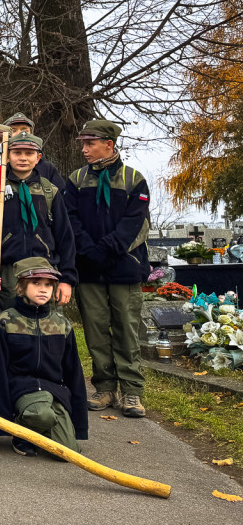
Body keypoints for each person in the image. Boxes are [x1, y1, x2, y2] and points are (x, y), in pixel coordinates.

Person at [65, 119, 150, 418]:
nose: (85, 149)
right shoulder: (76, 179)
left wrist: (106, 249)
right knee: (96, 330)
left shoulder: (133, 179)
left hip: (124, 267)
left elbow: (135, 224)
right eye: (83, 144)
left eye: (90, 144)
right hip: (89, 269)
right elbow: (70, 220)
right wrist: (89, 251)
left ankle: (131, 392)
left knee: (127, 329)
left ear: (108, 145)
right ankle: (104, 387)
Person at [0, 257, 89, 456]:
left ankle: (37, 432)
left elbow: (74, 374)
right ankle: (20, 432)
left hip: (55, 394)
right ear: (21, 286)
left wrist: (80, 426)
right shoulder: (6, 321)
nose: (43, 289)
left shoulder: (62, 324)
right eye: (36, 283)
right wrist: (4, 424)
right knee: (41, 414)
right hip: (22, 391)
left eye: (48, 285)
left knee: (68, 452)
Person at [0, 132, 77, 311]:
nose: (23, 158)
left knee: (45, 326)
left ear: (38, 157)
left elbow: (65, 237)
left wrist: (67, 278)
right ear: (7, 156)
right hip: (6, 271)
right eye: (17, 153)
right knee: (9, 325)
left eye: (29, 154)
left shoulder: (49, 191)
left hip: (44, 270)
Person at [4, 112, 66, 192]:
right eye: (13, 130)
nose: (19, 134)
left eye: (24, 130)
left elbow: (59, 198)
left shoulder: (46, 168)